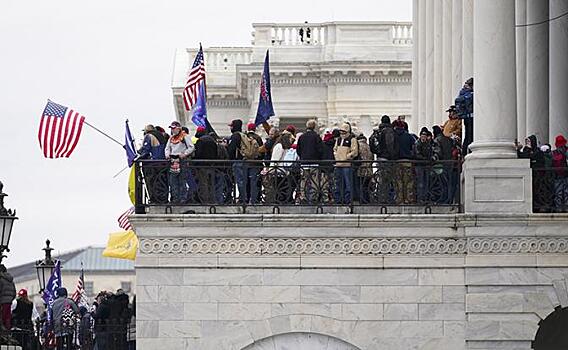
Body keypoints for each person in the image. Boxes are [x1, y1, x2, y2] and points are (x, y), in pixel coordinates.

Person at [165, 121, 194, 203]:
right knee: (172, 181)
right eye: (171, 128)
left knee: (182, 180)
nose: (172, 130)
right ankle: (175, 198)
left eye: (173, 128)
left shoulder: (185, 136)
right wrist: (167, 155)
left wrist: (185, 154)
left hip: (182, 161)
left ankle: (183, 199)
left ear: (178, 128)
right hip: (172, 161)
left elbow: (191, 147)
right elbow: (167, 148)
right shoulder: (171, 138)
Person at [137, 124, 168, 203]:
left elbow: (146, 150)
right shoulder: (161, 135)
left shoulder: (149, 136)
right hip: (163, 162)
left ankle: (155, 200)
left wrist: (138, 157)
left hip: (153, 163)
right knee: (162, 182)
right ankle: (163, 199)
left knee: (153, 182)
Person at [297, 119, 324, 203]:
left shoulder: (302, 137)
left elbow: (298, 149)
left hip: (304, 162)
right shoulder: (316, 137)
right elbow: (320, 149)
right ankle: (313, 197)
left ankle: (303, 196)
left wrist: (302, 157)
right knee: (314, 181)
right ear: (314, 127)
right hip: (314, 162)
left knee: (304, 180)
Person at [333, 123, 359, 204]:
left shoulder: (352, 139)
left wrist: (346, 157)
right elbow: (335, 149)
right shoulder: (338, 140)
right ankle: (339, 200)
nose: (342, 134)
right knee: (338, 183)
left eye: (344, 132)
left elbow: (355, 152)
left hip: (347, 165)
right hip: (338, 164)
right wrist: (336, 156)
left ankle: (348, 200)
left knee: (348, 183)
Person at [393, 120, 415, 204]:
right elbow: (413, 147)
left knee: (398, 181)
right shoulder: (408, 136)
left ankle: (399, 199)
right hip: (407, 160)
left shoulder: (394, 136)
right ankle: (408, 199)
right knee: (408, 181)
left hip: (397, 161)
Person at [413, 128, 434, 203]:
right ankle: (420, 198)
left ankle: (425, 197)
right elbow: (417, 154)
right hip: (420, 165)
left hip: (426, 165)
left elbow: (430, 152)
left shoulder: (428, 144)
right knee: (420, 182)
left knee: (426, 182)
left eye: (425, 135)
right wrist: (426, 159)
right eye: (423, 135)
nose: (424, 137)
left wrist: (430, 158)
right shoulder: (417, 143)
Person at [246, 123, 264, 204]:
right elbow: (261, 152)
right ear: (255, 129)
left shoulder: (244, 137)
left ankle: (245, 199)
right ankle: (254, 200)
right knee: (254, 182)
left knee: (246, 182)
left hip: (245, 163)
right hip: (256, 163)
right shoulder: (258, 138)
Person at [455, 77, 474, 154]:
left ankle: (465, 152)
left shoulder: (463, 92)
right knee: (470, 136)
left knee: (468, 136)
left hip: (466, 117)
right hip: (469, 117)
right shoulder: (468, 94)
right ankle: (467, 152)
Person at [355, 134, 373, 203]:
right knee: (366, 186)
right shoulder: (368, 146)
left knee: (360, 185)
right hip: (369, 170)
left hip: (361, 169)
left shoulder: (358, 146)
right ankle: (367, 200)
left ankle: (362, 200)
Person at [552, 135, 568, 211]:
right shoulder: (555, 153)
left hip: (563, 175)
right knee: (560, 192)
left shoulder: (566, 152)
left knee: (564, 192)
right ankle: (560, 207)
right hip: (559, 175)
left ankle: (563, 207)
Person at [0, 265, 15, 331]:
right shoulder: (11, 280)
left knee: (2, 317)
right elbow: (14, 292)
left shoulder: (1, 279)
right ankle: (7, 331)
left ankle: (3, 332)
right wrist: (11, 299)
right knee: (7, 317)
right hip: (9, 301)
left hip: (2, 301)